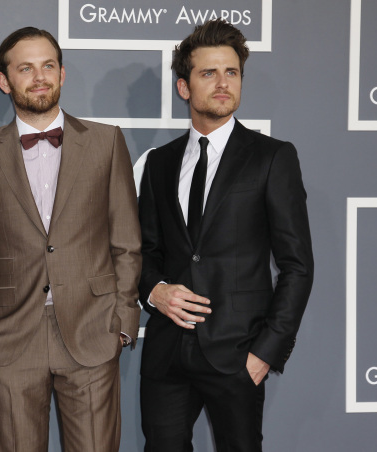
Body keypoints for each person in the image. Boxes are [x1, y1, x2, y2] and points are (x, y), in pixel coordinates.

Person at [0, 27, 142, 452]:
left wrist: (121, 323)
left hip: (93, 332)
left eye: (48, 66)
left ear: (61, 74)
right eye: (26, 68)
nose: (39, 77)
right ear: (5, 81)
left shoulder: (106, 142)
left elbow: (126, 243)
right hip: (8, 339)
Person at [137, 19, 314, 451]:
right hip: (166, 355)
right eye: (208, 73)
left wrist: (266, 352)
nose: (222, 83)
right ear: (184, 87)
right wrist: (155, 291)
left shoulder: (273, 158)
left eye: (231, 72)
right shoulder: (158, 163)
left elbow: (297, 266)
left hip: (238, 354)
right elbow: (144, 252)